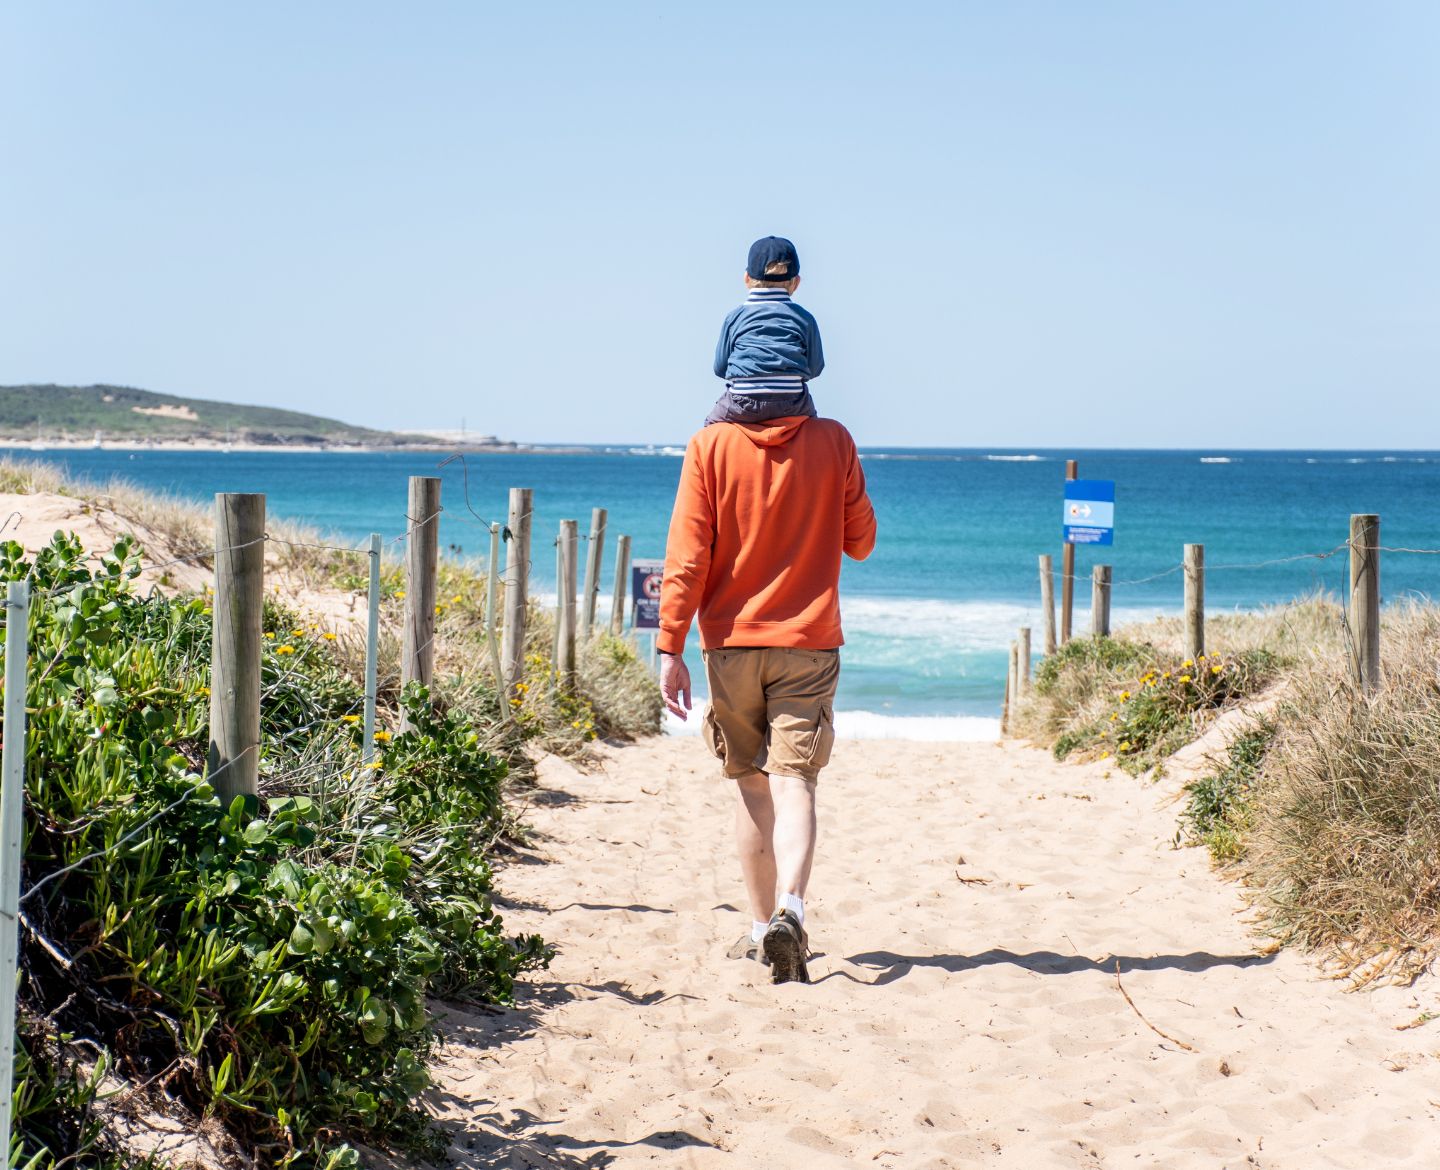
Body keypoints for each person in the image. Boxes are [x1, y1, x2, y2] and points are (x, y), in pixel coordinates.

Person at [657, 410, 876, 984]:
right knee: (795, 780)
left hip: (730, 644)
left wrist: (669, 647)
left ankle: (761, 932)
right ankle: (791, 911)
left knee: (752, 783)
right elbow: (862, 542)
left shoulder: (708, 445)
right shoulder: (834, 440)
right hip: (808, 642)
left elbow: (687, 557)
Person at [706, 236, 824, 427]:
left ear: (746, 279)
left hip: (742, 403)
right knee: (814, 430)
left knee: (709, 431)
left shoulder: (734, 317)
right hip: (792, 402)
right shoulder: (804, 318)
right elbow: (815, 368)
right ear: (796, 282)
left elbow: (720, 368)